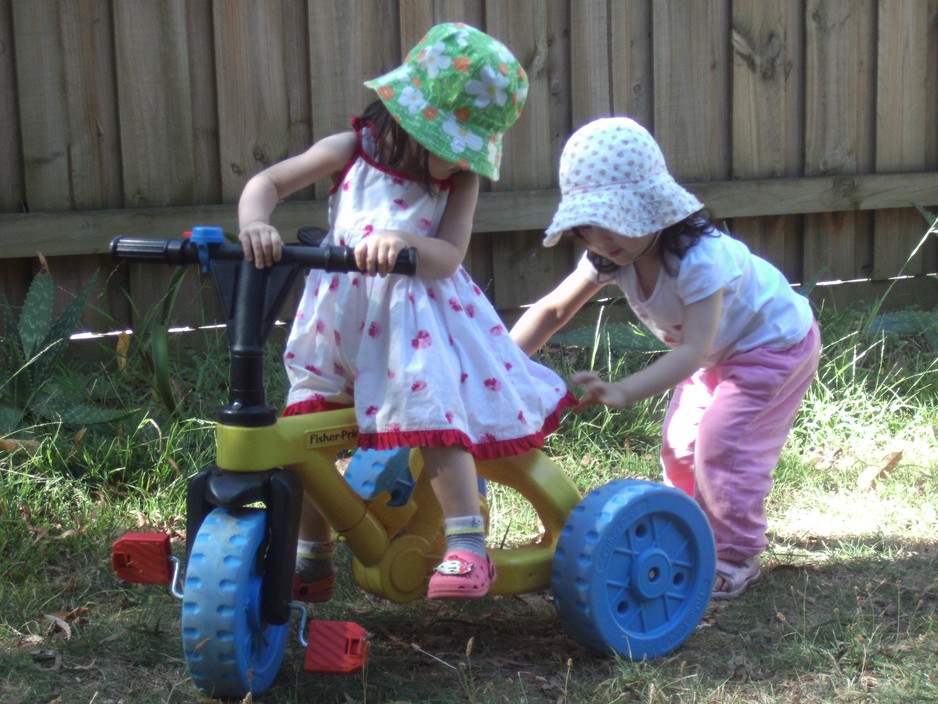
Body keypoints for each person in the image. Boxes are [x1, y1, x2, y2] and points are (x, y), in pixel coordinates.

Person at [238, 23, 575, 601]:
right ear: (410, 123)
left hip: (413, 326)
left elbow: (448, 257)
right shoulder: (350, 150)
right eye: (450, 147)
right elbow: (267, 182)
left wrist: (404, 243)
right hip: (337, 320)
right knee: (304, 436)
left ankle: (467, 546)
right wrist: (255, 222)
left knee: (433, 414)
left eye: (465, 153)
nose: (457, 162)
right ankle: (310, 561)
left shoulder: (458, 184)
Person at [510, 117, 821, 600]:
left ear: (653, 207)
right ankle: (691, 530)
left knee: (723, 444)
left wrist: (624, 390)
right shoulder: (609, 258)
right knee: (679, 446)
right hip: (718, 354)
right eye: (587, 226)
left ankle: (735, 552)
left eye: (615, 221)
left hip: (772, 347)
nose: (602, 237)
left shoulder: (698, 258)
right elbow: (553, 309)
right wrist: (500, 366)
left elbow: (694, 350)